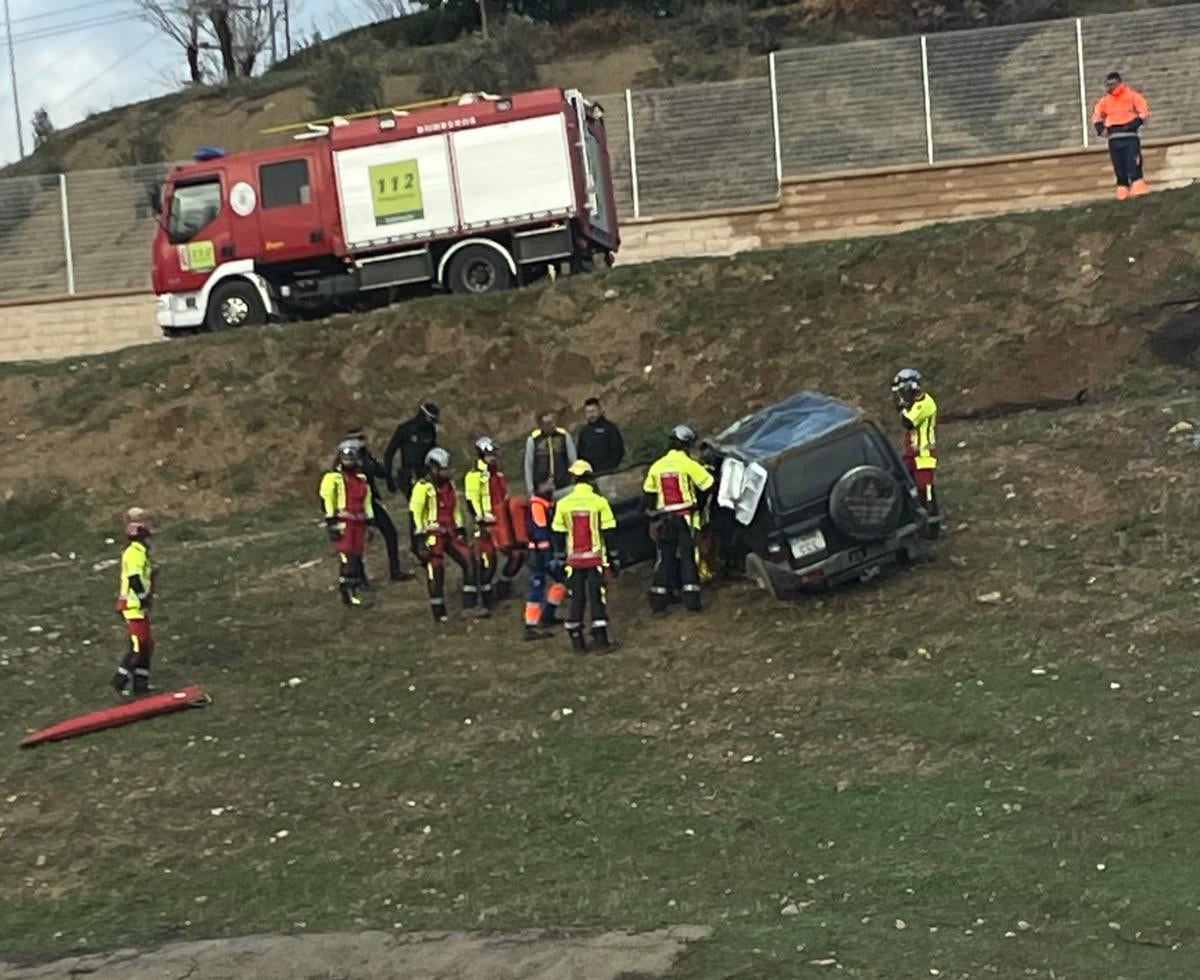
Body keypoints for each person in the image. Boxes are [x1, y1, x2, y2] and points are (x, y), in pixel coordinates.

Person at [643, 424, 716, 614]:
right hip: (685, 518)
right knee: (687, 557)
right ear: (686, 445)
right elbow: (709, 485)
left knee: (665, 559)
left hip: (664, 520)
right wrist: (699, 505)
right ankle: (691, 600)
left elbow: (648, 498)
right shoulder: (687, 464)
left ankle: (658, 601)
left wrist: (653, 520)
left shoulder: (657, 466)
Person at [552, 459, 619, 654]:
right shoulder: (599, 502)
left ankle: (577, 641)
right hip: (595, 560)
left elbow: (558, 533)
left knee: (577, 599)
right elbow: (609, 532)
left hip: (574, 561)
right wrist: (614, 558)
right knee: (597, 597)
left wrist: (561, 557)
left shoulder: (563, 504)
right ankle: (601, 640)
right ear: (590, 478)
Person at [410, 448, 483, 621]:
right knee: (436, 570)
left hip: (450, 531)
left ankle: (470, 605)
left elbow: (455, 509)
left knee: (469, 560)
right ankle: (439, 611)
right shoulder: (422, 487)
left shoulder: (449, 486)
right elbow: (415, 514)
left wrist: (460, 529)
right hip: (432, 534)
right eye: (444, 469)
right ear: (433, 469)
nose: (448, 473)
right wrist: (420, 541)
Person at [345, 428, 413, 583]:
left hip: (370, 502)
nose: (363, 441)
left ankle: (395, 570)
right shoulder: (348, 459)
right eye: (359, 438)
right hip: (355, 506)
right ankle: (359, 577)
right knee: (357, 541)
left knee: (390, 533)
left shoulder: (365, 455)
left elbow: (379, 471)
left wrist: (389, 473)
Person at [464, 436, 524, 605]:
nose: (493, 458)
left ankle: (503, 584)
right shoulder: (474, 476)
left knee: (517, 555)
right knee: (488, 562)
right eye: (490, 455)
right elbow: (471, 500)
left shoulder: (498, 475)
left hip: (503, 521)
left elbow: (505, 496)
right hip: (486, 523)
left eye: (494, 454)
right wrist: (479, 519)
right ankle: (485, 598)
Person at [319, 440, 375, 607]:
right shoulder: (333, 478)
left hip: (359, 522)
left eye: (352, 459)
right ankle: (348, 593)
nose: (349, 462)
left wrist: (370, 521)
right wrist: (331, 522)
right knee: (347, 557)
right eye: (346, 459)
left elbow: (367, 501)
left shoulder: (361, 479)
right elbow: (328, 500)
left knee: (357, 556)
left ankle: (355, 590)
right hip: (344, 522)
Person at [891, 367, 940, 537]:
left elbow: (908, 422)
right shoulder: (914, 404)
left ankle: (932, 524)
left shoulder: (925, 403)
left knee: (924, 487)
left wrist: (902, 408)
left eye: (903, 392)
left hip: (924, 452)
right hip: (912, 450)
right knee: (907, 485)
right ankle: (916, 519)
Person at [110, 515, 156, 696]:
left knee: (146, 646)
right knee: (139, 647)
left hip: (136, 607)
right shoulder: (136, 553)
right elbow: (135, 578)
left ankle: (141, 685)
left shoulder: (136, 552)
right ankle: (119, 681)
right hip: (133, 607)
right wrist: (144, 598)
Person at [1092, 72, 1151, 200]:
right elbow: (1097, 116)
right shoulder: (1105, 101)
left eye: (1112, 84)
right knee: (1118, 165)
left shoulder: (1132, 96)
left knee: (1134, 161)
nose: (1110, 87)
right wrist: (1100, 128)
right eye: (1108, 85)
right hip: (1114, 137)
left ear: (1119, 83)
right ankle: (1123, 189)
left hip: (1130, 135)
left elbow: (1144, 110)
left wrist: (1134, 123)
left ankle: (1138, 185)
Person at [523, 475, 568, 640]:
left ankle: (548, 615)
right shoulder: (537, 505)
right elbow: (540, 533)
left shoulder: (546, 503)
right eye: (549, 482)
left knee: (561, 582)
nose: (553, 485)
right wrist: (550, 557)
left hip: (544, 552)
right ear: (540, 485)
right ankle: (530, 626)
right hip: (538, 553)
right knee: (537, 588)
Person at [384, 402, 440, 499]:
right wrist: (389, 478)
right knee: (415, 502)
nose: (431, 423)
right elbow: (389, 453)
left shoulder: (430, 431)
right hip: (408, 474)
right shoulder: (405, 429)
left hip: (426, 474)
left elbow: (434, 453)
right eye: (431, 420)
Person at [523, 410, 577, 494]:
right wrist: (530, 489)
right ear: (541, 426)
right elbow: (529, 465)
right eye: (548, 424)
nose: (552, 426)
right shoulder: (533, 439)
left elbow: (573, 459)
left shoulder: (563, 435)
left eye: (553, 422)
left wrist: (576, 479)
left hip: (564, 485)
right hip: (542, 487)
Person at [576, 397, 625, 475]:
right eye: (588, 412)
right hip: (589, 474)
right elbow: (580, 452)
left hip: (607, 472)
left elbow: (618, 450)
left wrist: (611, 467)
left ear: (600, 410)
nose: (591, 415)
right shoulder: (584, 431)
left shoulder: (610, 428)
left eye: (593, 411)